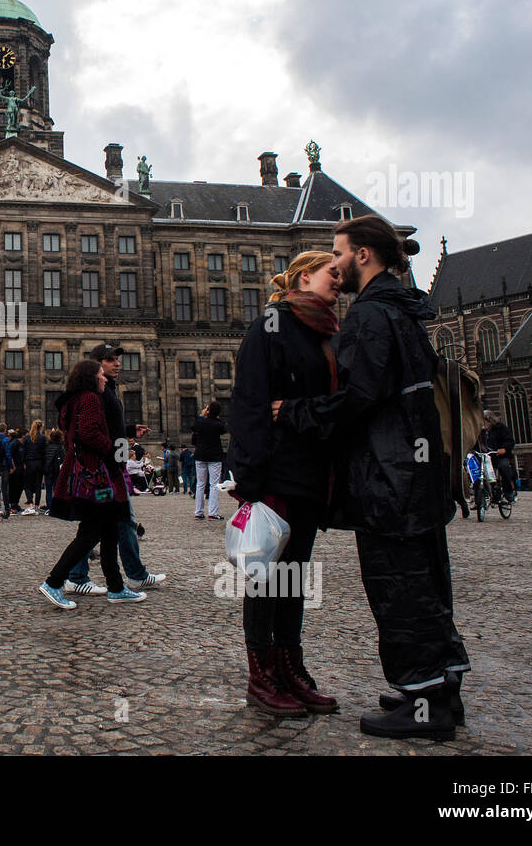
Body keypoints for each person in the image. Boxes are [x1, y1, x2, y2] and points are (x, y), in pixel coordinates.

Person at [273, 215, 469, 740]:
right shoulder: (406, 310)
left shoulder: (368, 316)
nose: (333, 263)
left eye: (337, 252)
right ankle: (442, 690)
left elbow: (358, 398)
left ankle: (424, 704)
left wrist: (294, 412)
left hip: (389, 472)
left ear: (362, 254)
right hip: (420, 469)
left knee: (396, 584)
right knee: (428, 579)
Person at [228, 250, 342, 718]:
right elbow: (250, 403)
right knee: (265, 577)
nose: (340, 277)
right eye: (331, 272)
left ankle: (293, 669)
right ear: (303, 276)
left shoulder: (327, 332)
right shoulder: (268, 326)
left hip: (312, 471)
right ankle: (262, 675)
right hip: (276, 471)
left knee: (294, 578)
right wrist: (249, 480)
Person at [39, 360, 146, 609]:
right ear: (91, 377)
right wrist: (112, 450)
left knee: (109, 530)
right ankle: (54, 582)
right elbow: (88, 433)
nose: (105, 379)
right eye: (101, 375)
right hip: (95, 475)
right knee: (91, 533)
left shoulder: (76, 398)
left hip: (92, 473)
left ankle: (116, 588)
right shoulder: (89, 398)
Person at [62, 343, 166, 595]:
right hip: (105, 468)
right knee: (109, 524)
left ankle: (86, 577)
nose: (117, 363)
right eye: (110, 360)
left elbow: (107, 428)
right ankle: (79, 578)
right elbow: (91, 431)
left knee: (111, 524)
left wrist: (129, 432)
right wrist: (112, 458)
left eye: (117, 359)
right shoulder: (96, 392)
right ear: (97, 364)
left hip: (112, 465)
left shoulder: (107, 389)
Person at [192, 403, 227, 520]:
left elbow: (194, 426)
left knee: (200, 484)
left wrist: (202, 416)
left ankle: (198, 512)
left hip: (200, 456)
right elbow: (223, 429)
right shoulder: (218, 424)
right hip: (214, 457)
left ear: (207, 410)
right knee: (214, 485)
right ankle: (212, 513)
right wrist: (215, 416)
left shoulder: (200, 422)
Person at [479, 410, 516, 503]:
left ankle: (508, 492)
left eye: (485, 421)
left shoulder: (501, 428)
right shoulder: (481, 431)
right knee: (479, 473)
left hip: (500, 456)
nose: (484, 423)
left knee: (504, 468)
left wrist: (504, 449)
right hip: (487, 457)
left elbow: (510, 440)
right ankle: (482, 498)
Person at [22, 419, 46, 515]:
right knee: (38, 485)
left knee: (27, 485)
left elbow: (24, 452)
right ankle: (36, 506)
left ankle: (31, 505)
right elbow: (44, 453)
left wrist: (24, 462)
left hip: (29, 463)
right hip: (39, 463)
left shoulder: (27, 438)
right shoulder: (43, 438)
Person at [42, 427, 64, 514]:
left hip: (48, 470)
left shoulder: (46, 446)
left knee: (48, 490)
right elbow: (63, 459)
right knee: (56, 490)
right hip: (56, 471)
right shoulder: (60, 448)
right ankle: (56, 507)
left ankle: (49, 507)